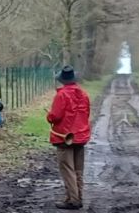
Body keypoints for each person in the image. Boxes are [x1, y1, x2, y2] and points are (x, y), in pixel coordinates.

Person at [46, 67, 91, 210]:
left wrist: (49, 116)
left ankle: (74, 200)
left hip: (65, 137)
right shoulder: (83, 94)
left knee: (67, 169)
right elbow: (86, 114)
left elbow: (55, 116)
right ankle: (77, 196)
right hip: (81, 135)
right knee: (78, 169)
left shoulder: (61, 95)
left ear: (62, 80)